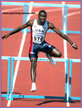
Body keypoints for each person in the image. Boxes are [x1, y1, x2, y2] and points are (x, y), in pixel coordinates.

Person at [2, 10, 78, 92]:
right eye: (41, 17)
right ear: (38, 17)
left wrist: (72, 43)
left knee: (59, 54)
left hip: (42, 44)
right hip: (34, 46)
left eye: (44, 17)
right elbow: (20, 28)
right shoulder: (32, 22)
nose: (43, 18)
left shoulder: (48, 24)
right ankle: (33, 84)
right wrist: (9, 34)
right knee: (34, 63)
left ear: (46, 17)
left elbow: (60, 33)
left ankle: (49, 54)